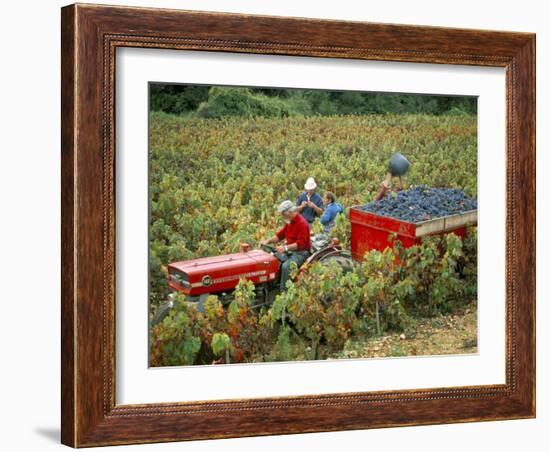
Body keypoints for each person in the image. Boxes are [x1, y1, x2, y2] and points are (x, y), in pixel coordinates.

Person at [261, 200, 311, 291]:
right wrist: (267, 241)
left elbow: (301, 244)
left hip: (300, 253)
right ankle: (273, 285)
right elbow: (279, 236)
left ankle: (284, 291)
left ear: (290, 212)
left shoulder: (302, 224)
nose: (283, 217)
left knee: (286, 267)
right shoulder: (289, 223)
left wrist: (285, 248)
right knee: (271, 258)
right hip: (290, 251)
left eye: (284, 214)